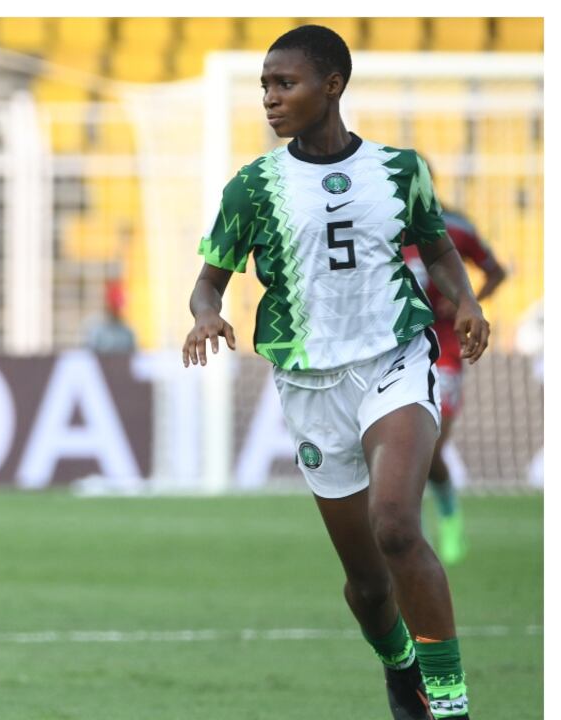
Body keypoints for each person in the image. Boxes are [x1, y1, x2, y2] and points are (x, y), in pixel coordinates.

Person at [183, 25, 488, 720]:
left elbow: (439, 250)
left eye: (283, 83)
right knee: (368, 585)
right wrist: (205, 314)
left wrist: (465, 300)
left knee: (396, 528)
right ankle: (399, 664)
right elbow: (209, 282)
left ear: (332, 86)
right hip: (311, 385)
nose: (270, 97)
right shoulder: (253, 187)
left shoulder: (399, 169)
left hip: (394, 360)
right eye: (264, 85)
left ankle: (449, 704)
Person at [402, 204, 507, 565]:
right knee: (398, 446)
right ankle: (411, 535)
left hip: (445, 348)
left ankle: (448, 517)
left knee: (429, 446)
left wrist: (467, 301)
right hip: (395, 348)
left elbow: (496, 272)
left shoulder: (456, 227)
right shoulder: (377, 220)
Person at [84, 279, 138, 354]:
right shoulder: (96, 328)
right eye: (114, 307)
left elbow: (132, 353)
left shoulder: (127, 331)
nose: (117, 311)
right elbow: (90, 353)